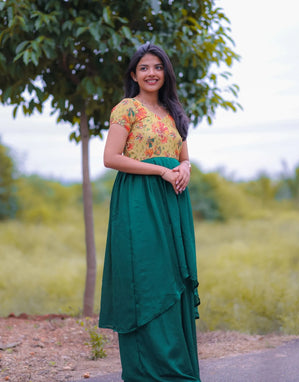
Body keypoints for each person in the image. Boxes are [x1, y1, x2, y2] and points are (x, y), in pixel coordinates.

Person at [99, 43, 201, 382]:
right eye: (144, 67)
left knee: (173, 279)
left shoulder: (174, 112)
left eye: (157, 67)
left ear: (166, 73)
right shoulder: (127, 109)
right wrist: (159, 171)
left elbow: (183, 154)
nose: (151, 73)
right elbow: (111, 157)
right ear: (134, 74)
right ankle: (147, 370)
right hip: (139, 204)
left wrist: (185, 166)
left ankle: (177, 367)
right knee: (146, 278)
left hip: (173, 203)